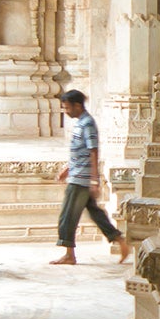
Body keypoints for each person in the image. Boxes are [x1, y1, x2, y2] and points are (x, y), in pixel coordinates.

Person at [51, 90, 130, 265]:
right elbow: (81, 152)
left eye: (67, 107)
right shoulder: (81, 123)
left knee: (68, 216)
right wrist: (68, 168)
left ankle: (69, 254)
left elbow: (93, 151)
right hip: (78, 174)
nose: (66, 111)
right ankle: (120, 241)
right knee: (95, 213)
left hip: (81, 179)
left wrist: (95, 180)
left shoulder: (87, 123)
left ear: (77, 105)